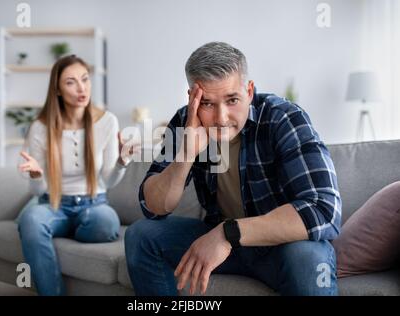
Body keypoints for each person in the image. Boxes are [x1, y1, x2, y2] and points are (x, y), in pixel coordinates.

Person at [125, 42, 341, 296]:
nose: (221, 117)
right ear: (193, 98)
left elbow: (323, 210)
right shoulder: (186, 122)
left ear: (249, 91)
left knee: (308, 258)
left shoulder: (283, 117)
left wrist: (228, 234)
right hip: (222, 242)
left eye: (232, 100)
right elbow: (154, 206)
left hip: (281, 246)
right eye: (207, 103)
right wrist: (186, 154)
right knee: (142, 235)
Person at [17, 54, 137, 296]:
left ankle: (73, 226)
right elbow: (38, 192)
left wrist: (122, 162)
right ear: (58, 90)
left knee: (105, 223)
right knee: (30, 220)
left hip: (94, 204)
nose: (82, 88)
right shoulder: (41, 127)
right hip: (52, 204)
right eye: (71, 82)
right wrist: (37, 176)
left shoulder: (107, 122)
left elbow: (108, 180)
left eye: (85, 79)